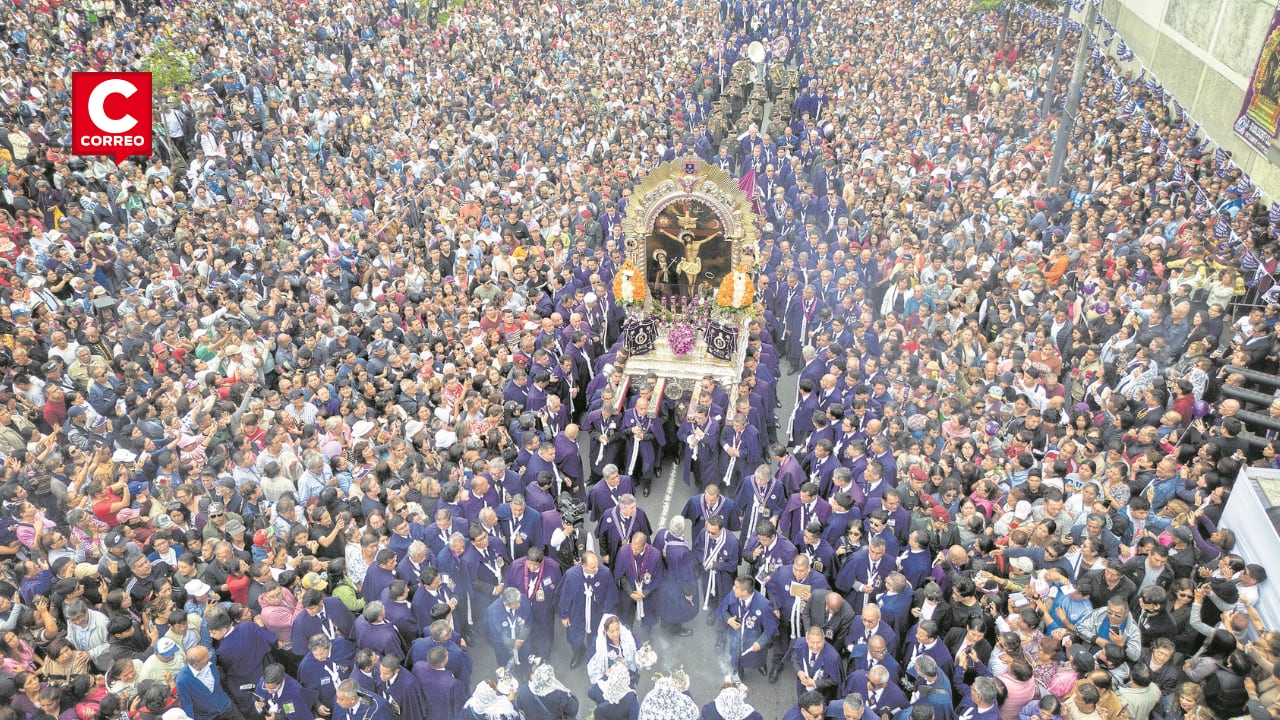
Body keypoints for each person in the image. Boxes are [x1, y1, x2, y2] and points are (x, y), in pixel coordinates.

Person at [174, 646, 243, 720]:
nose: (209, 656)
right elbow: (187, 705)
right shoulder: (182, 681)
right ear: (195, 664)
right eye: (205, 656)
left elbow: (212, 652)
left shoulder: (211, 659)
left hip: (227, 707)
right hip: (207, 717)